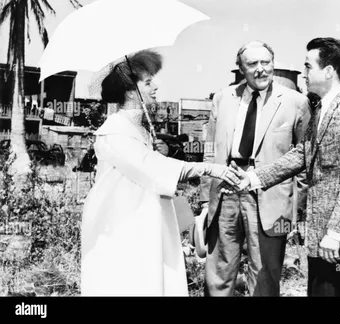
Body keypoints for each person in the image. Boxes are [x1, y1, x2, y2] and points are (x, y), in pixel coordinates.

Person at [222, 37, 340, 297]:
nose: (303, 74)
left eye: (308, 66)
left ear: (328, 71)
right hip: (321, 238)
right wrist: (253, 179)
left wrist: (336, 233)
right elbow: (301, 154)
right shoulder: (323, 109)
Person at [80, 50, 240, 296]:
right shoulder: (115, 131)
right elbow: (154, 169)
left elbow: (152, 167)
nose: (155, 86)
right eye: (148, 82)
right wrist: (211, 167)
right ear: (132, 92)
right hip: (123, 225)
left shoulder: (137, 128)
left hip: (145, 220)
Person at [200, 40, 311, 296]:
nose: (261, 69)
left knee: (265, 274)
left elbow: (303, 158)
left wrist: (299, 209)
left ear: (273, 64)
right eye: (252, 64)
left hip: (269, 197)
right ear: (241, 68)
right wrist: (207, 198)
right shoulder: (222, 99)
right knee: (219, 272)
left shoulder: (295, 102)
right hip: (225, 192)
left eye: (266, 62)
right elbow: (209, 150)